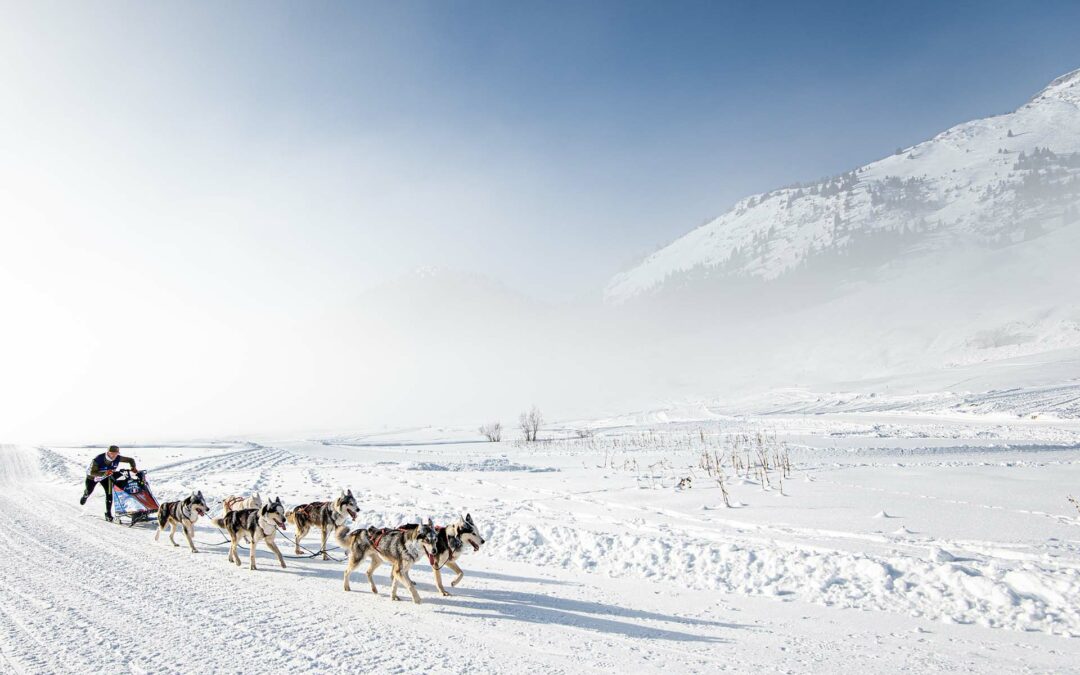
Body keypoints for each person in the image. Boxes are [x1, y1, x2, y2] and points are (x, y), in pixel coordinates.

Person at [81, 445, 138, 522]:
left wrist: (133, 467)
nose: (114, 455)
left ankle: (108, 514)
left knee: (109, 494)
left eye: (116, 453)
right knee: (89, 491)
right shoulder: (98, 459)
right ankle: (85, 496)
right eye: (112, 453)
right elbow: (92, 472)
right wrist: (105, 473)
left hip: (106, 477)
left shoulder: (118, 457)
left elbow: (131, 460)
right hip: (92, 477)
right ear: (108, 452)